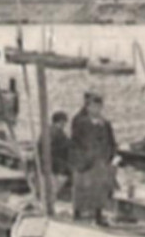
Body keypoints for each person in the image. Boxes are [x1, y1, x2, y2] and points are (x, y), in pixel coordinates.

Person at [70, 92, 118, 223]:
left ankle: (98, 214)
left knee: (100, 188)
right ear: (88, 107)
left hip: (100, 161)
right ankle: (78, 213)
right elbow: (75, 142)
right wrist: (79, 158)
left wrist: (110, 156)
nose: (96, 109)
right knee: (82, 188)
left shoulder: (105, 124)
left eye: (98, 106)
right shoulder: (80, 122)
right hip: (84, 161)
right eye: (93, 106)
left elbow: (111, 141)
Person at [42, 110, 73, 199]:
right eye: (64, 122)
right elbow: (66, 146)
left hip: (47, 159)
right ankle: (62, 193)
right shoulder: (58, 133)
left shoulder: (47, 130)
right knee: (73, 169)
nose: (64, 125)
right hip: (54, 161)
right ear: (61, 122)